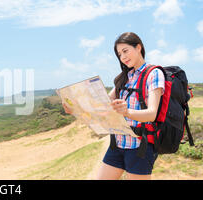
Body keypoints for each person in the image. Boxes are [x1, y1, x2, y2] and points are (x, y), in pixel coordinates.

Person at [62, 32, 165, 180]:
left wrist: (126, 111)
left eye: (125, 51)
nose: (123, 57)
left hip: (139, 147)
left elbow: (152, 113)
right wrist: (75, 109)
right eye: (119, 54)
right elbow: (102, 107)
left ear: (138, 47)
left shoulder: (153, 73)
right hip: (116, 145)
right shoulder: (123, 78)